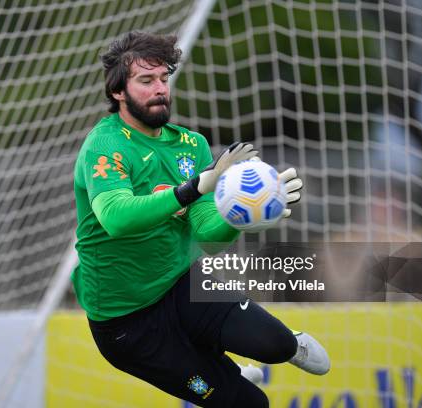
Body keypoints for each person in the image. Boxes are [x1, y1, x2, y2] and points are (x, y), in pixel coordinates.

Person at [72, 31, 329, 408]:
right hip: (126, 323)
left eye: (163, 78)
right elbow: (116, 218)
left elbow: (207, 233)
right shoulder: (106, 144)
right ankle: (225, 373)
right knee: (249, 404)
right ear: (118, 92)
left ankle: (280, 346)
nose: (160, 88)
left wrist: (242, 214)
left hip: (182, 282)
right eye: (146, 80)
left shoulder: (191, 145)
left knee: (276, 345)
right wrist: (191, 189)